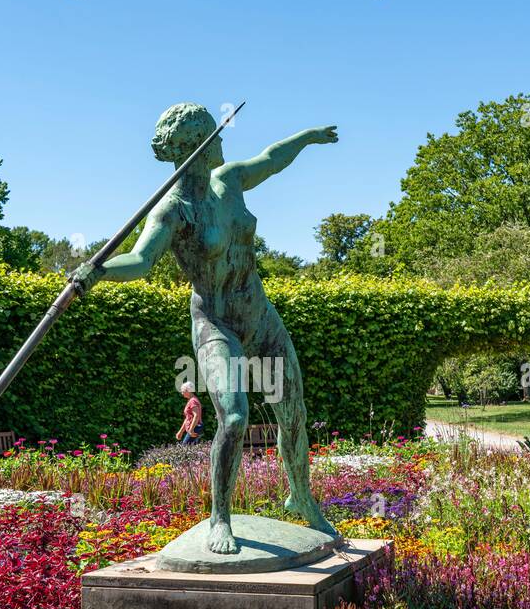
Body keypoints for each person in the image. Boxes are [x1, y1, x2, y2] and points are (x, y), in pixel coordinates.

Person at [71, 103, 337, 554]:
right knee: (233, 417)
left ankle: (301, 497)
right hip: (216, 327)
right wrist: (96, 271)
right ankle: (220, 518)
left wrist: (307, 136)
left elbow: (272, 159)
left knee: (293, 412)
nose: (222, 142)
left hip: (261, 319)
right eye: (214, 137)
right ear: (194, 147)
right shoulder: (173, 211)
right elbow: (139, 262)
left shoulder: (229, 181)